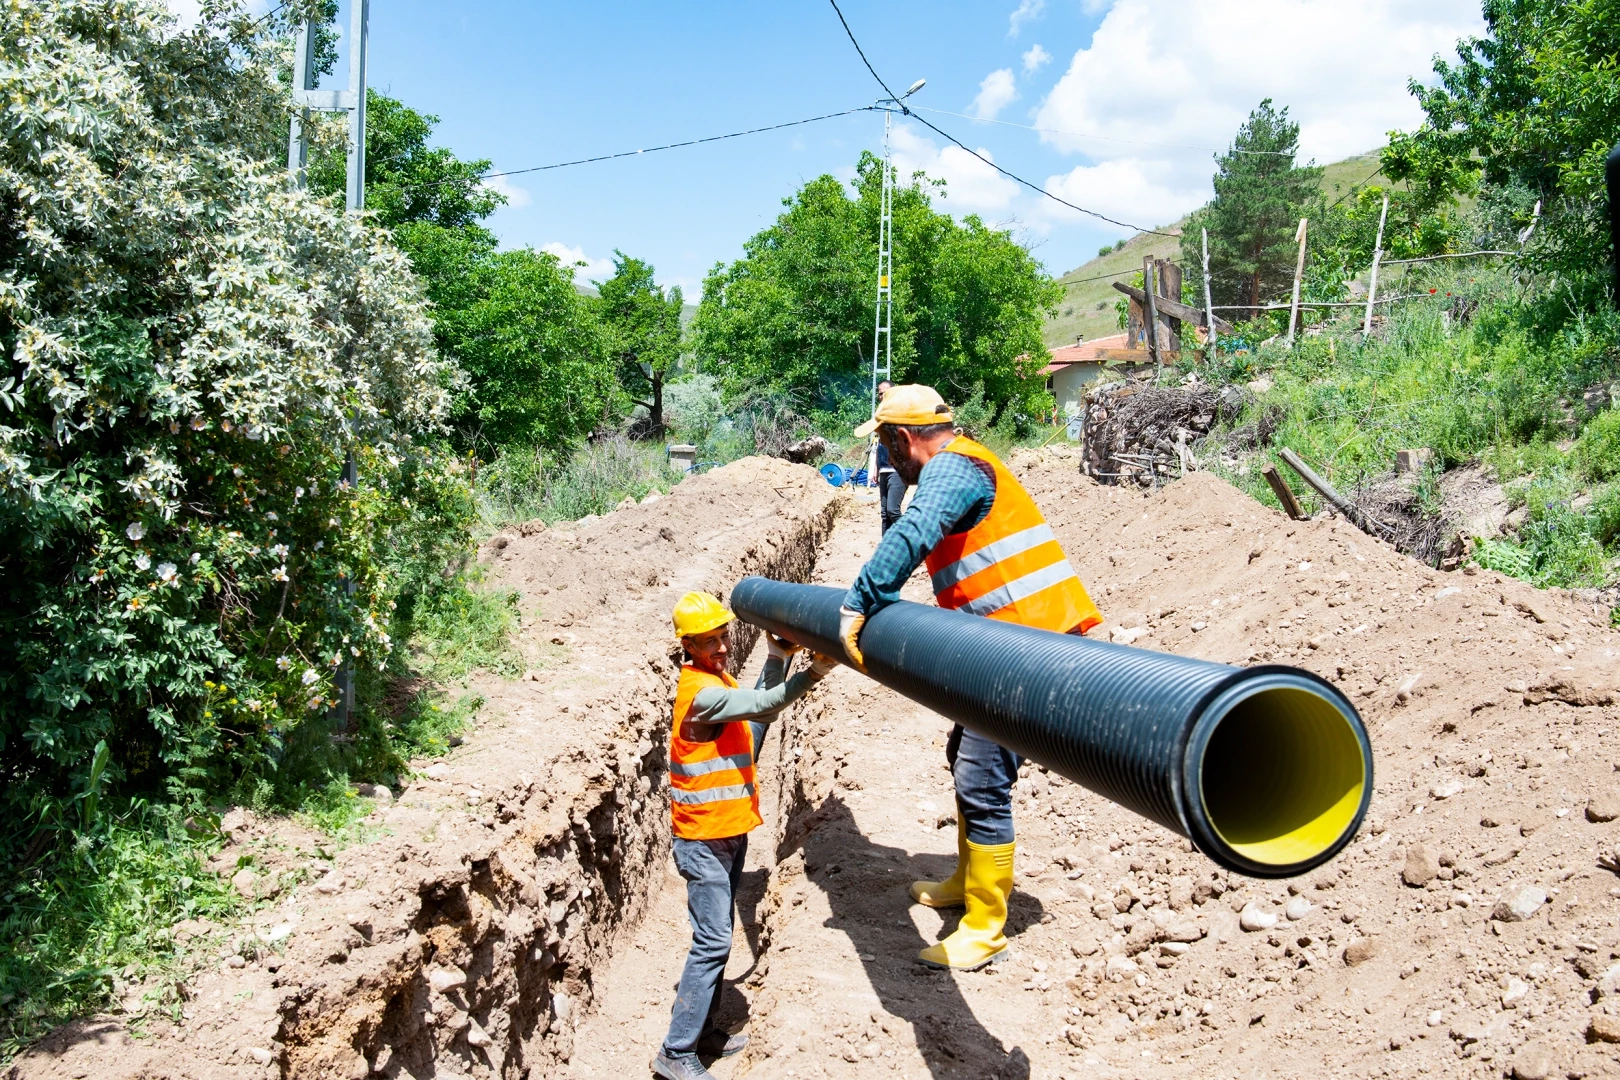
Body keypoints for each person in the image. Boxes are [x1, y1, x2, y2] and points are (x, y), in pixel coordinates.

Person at [837, 385, 1103, 971]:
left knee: (983, 775)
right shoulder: (961, 463)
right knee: (965, 751)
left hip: (1030, 647)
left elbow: (912, 533)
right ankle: (965, 879)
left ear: (902, 440)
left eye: (884, 446)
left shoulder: (953, 471)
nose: (885, 460)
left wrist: (860, 602)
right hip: (1001, 643)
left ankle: (985, 925)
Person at [653, 591, 836, 1080]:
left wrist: (776, 656)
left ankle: (706, 1031)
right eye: (709, 641)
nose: (720, 647)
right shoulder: (702, 693)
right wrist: (813, 673)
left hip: (728, 834)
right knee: (712, 941)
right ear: (688, 646)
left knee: (718, 938)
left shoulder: (717, 680)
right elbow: (762, 701)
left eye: (723, 636)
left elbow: (756, 723)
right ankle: (675, 1052)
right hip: (703, 841)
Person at [872, 380, 906, 534]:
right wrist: (875, 468)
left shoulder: (902, 414)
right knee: (885, 514)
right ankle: (886, 551)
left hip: (898, 470)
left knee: (893, 510)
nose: (881, 396)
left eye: (885, 392)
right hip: (884, 469)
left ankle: (913, 539)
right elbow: (879, 443)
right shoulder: (881, 415)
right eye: (879, 393)